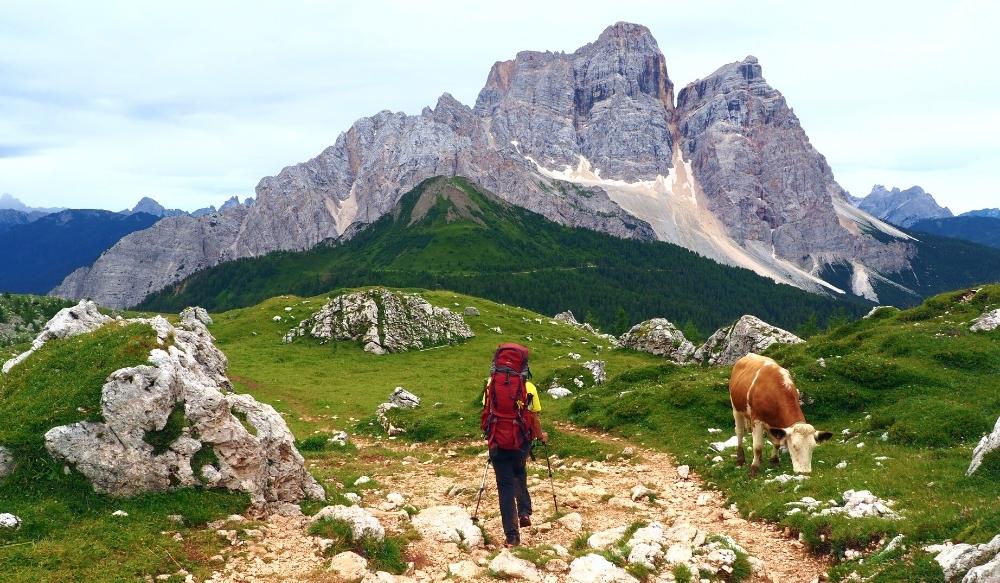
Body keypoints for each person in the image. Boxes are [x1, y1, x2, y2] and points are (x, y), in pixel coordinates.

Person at [481, 343, 547, 547]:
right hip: (521, 441)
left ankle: (512, 536)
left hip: (497, 441)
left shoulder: (491, 384)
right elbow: (534, 416)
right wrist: (540, 435)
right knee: (519, 472)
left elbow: (486, 410)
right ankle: (524, 512)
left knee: (505, 486)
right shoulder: (529, 387)